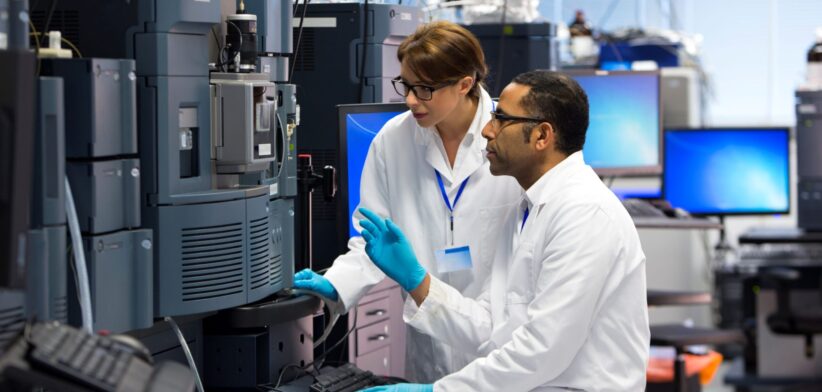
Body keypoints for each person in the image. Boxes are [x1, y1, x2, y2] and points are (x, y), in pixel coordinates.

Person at [357, 70, 650, 391]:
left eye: (500, 118)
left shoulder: (584, 214)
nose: (486, 130)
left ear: (542, 136)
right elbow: (492, 326)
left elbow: (541, 351)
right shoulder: (525, 212)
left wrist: (435, 391)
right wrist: (418, 281)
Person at [292, 21, 522, 382]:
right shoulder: (392, 140)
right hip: (428, 344)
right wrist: (336, 283)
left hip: (498, 348)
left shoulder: (509, 140)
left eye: (425, 89)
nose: (411, 99)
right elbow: (372, 239)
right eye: (407, 85)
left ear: (465, 84)